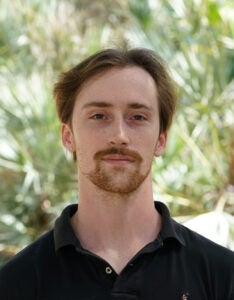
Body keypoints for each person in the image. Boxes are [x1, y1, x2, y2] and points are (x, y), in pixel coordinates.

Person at [0, 48, 233, 300]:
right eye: (99, 116)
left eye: (138, 117)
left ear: (161, 140)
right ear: (69, 137)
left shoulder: (223, 276)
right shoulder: (14, 284)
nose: (119, 136)